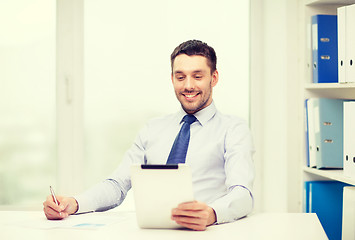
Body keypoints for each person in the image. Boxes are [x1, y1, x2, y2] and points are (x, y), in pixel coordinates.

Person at [43, 40, 255, 231]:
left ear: (214, 78)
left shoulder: (233, 129)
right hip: (152, 234)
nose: (188, 85)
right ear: (172, 79)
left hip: (206, 234)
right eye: (180, 77)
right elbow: (117, 185)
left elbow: (242, 193)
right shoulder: (152, 129)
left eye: (197, 76)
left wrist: (212, 213)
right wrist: (74, 203)